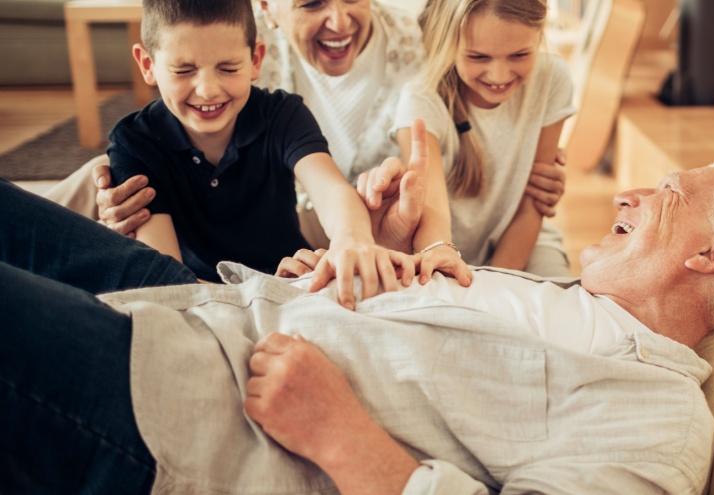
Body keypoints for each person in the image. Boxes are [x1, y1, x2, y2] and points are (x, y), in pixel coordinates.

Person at [0, 162, 714, 494]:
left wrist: (344, 436)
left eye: (664, 193)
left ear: (713, 253)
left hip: (195, 407)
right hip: (211, 304)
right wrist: (364, 266)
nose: (627, 195)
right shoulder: (570, 296)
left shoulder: (658, 418)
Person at [41, 0, 570, 259]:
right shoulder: (235, 56)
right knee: (106, 175)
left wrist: (531, 179)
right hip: (287, 212)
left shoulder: (426, 47)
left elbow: (483, 103)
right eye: (312, 2)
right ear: (268, 9)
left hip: (357, 217)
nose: (338, 21)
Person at [101, 0, 464, 309]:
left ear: (257, 58)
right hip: (220, 295)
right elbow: (169, 284)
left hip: (294, 281)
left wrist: (352, 240)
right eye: (183, 71)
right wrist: (266, 294)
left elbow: (332, 190)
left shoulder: (283, 114)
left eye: (229, 69)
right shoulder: (135, 141)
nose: (208, 89)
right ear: (147, 65)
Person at [359, 0, 574, 277]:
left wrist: (498, 285)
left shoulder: (553, 78)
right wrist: (443, 253)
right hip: (436, 249)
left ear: (540, 34)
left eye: (519, 55)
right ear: (449, 44)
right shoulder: (421, 98)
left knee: (558, 309)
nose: (499, 75)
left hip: (526, 244)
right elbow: (431, 207)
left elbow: (534, 203)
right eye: (478, 57)